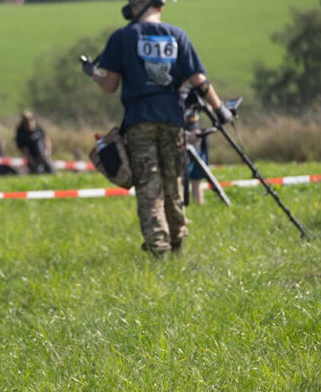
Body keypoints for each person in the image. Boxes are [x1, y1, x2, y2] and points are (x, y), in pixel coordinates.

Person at [82, 0, 232, 255]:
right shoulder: (177, 35)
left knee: (149, 186)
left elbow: (110, 85)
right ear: (159, 8)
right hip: (173, 121)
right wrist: (220, 109)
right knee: (173, 183)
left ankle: (158, 249)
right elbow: (199, 80)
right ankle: (178, 245)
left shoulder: (123, 37)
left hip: (139, 122)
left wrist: (92, 72)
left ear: (138, 6)